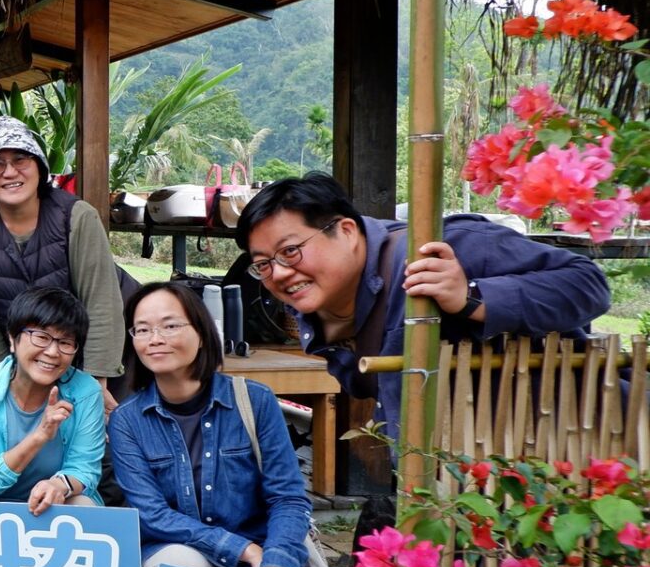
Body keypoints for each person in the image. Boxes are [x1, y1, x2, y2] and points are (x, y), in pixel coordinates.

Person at [237, 173, 611, 444]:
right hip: (453, 487)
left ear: (347, 231)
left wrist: (472, 297)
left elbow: (588, 285)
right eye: (263, 264)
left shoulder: (438, 250)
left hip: (572, 453)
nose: (280, 273)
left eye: (290, 251)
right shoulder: (317, 312)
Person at [107, 281, 316, 567]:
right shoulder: (128, 420)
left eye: (170, 326)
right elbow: (151, 514)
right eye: (142, 330)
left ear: (203, 332)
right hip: (181, 550)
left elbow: (287, 497)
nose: (156, 340)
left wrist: (277, 561)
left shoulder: (254, 401)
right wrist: (241, 549)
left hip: (260, 551)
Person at [0, 116, 124, 396]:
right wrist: (6, 380)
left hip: (82, 358)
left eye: (21, 159)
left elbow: (101, 302)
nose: (9, 172)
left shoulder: (78, 217)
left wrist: (95, 383)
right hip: (22, 364)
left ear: (40, 168)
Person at [0, 286, 106, 512]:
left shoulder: (86, 392)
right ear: (12, 339)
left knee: (85, 506)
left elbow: (85, 468)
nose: (52, 352)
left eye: (65, 342)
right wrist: (39, 436)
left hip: (56, 505)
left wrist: (57, 485)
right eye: (41, 337)